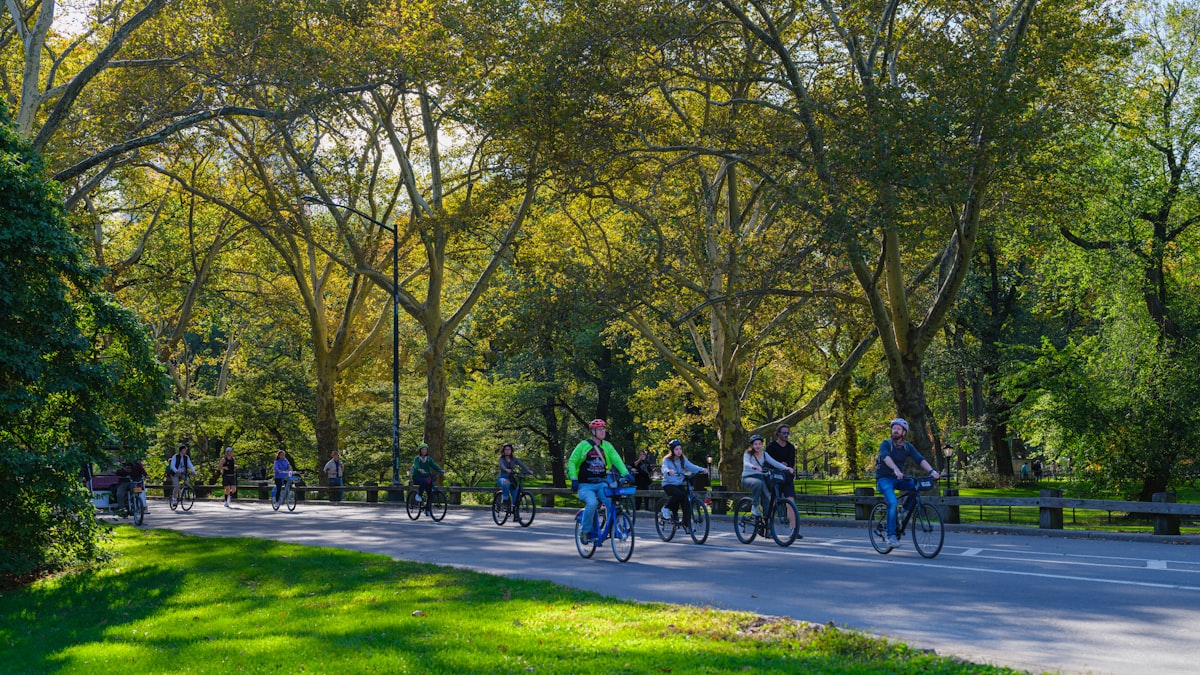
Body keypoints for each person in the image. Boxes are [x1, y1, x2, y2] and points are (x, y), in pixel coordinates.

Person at [875, 418, 939, 547]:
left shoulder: (907, 447)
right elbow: (886, 458)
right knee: (892, 502)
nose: (895, 430)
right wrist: (896, 469)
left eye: (899, 429)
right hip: (884, 479)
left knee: (915, 486)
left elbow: (920, 459)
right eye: (894, 428)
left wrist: (932, 471)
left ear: (904, 432)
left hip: (899, 477)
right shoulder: (886, 444)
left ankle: (904, 510)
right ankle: (891, 536)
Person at [567, 419, 632, 544]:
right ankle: (585, 531)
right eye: (599, 429)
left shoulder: (607, 446)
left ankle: (613, 526)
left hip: (602, 483)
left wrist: (626, 474)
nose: (603, 431)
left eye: (604, 429)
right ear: (593, 431)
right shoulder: (583, 445)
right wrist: (574, 478)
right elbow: (572, 461)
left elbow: (617, 460)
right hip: (585, 485)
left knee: (611, 502)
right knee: (591, 504)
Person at [660, 439, 707, 532]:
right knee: (678, 495)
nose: (679, 451)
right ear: (672, 450)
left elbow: (691, 466)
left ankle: (686, 524)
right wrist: (668, 471)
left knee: (686, 500)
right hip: (668, 484)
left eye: (680, 449)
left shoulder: (683, 460)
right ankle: (666, 508)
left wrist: (702, 469)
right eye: (676, 449)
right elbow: (664, 468)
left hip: (678, 484)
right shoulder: (667, 460)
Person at [741, 434, 793, 517]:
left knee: (767, 497)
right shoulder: (748, 453)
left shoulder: (764, 454)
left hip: (760, 478)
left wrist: (786, 468)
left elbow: (774, 462)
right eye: (755, 444)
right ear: (752, 445)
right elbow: (746, 463)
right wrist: (754, 466)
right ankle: (755, 506)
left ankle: (766, 521)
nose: (758, 446)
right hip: (748, 478)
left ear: (762, 444)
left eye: (759, 444)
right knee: (757, 483)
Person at [767, 424, 799, 531]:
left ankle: (794, 529)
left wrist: (786, 466)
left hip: (787, 478)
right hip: (775, 478)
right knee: (772, 503)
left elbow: (791, 463)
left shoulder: (790, 447)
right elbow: (768, 463)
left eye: (787, 433)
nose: (786, 435)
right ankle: (766, 527)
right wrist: (779, 464)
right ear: (778, 434)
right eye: (784, 433)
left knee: (791, 502)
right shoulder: (771, 447)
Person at [166, 444, 195, 508]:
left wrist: (194, 471)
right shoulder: (175, 457)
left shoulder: (186, 457)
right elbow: (172, 466)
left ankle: (184, 491)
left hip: (182, 473)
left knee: (187, 480)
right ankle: (174, 499)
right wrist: (176, 471)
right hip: (175, 473)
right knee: (176, 486)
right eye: (185, 450)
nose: (185, 451)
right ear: (181, 450)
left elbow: (190, 464)